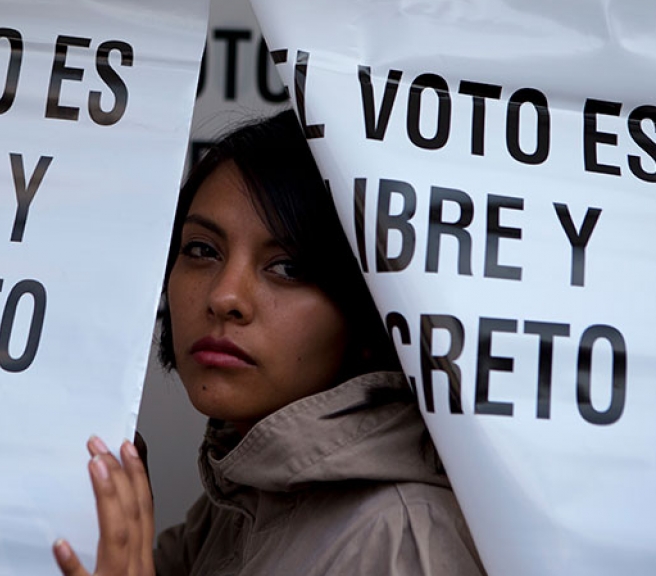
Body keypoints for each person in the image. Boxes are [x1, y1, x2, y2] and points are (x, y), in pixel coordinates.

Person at [51, 110, 486, 576]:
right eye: (202, 250)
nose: (224, 297)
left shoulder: (399, 538)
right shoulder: (240, 495)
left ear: (367, 310)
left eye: (288, 268)